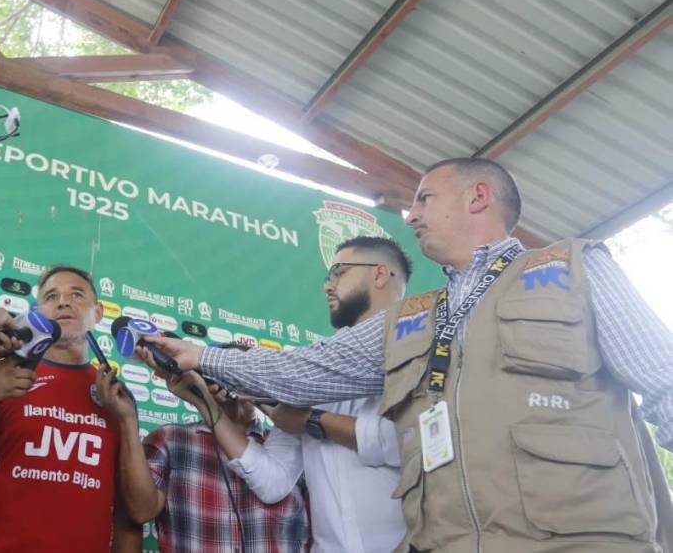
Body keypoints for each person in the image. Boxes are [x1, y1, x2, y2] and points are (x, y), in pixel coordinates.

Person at [144, 158, 673, 552]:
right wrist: (202, 358)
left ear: (478, 197)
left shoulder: (573, 267)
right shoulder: (412, 317)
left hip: (578, 539)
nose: (410, 213)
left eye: (424, 199)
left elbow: (666, 383)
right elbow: (306, 371)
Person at [234, 236, 409, 552]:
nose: (327, 286)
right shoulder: (311, 372)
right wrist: (213, 411)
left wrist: (312, 420)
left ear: (380, 274)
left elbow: (409, 441)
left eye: (339, 273)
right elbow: (273, 483)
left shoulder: (425, 348)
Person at [0, 265, 129, 553]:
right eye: (51, 297)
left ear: (99, 312)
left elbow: (130, 519)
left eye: (76, 295)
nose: (63, 302)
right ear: (37, 312)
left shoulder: (119, 399)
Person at [105, 345, 309, 553]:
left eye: (245, 373)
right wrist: (128, 420)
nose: (237, 382)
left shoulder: (291, 449)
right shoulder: (171, 440)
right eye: (227, 373)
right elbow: (139, 511)